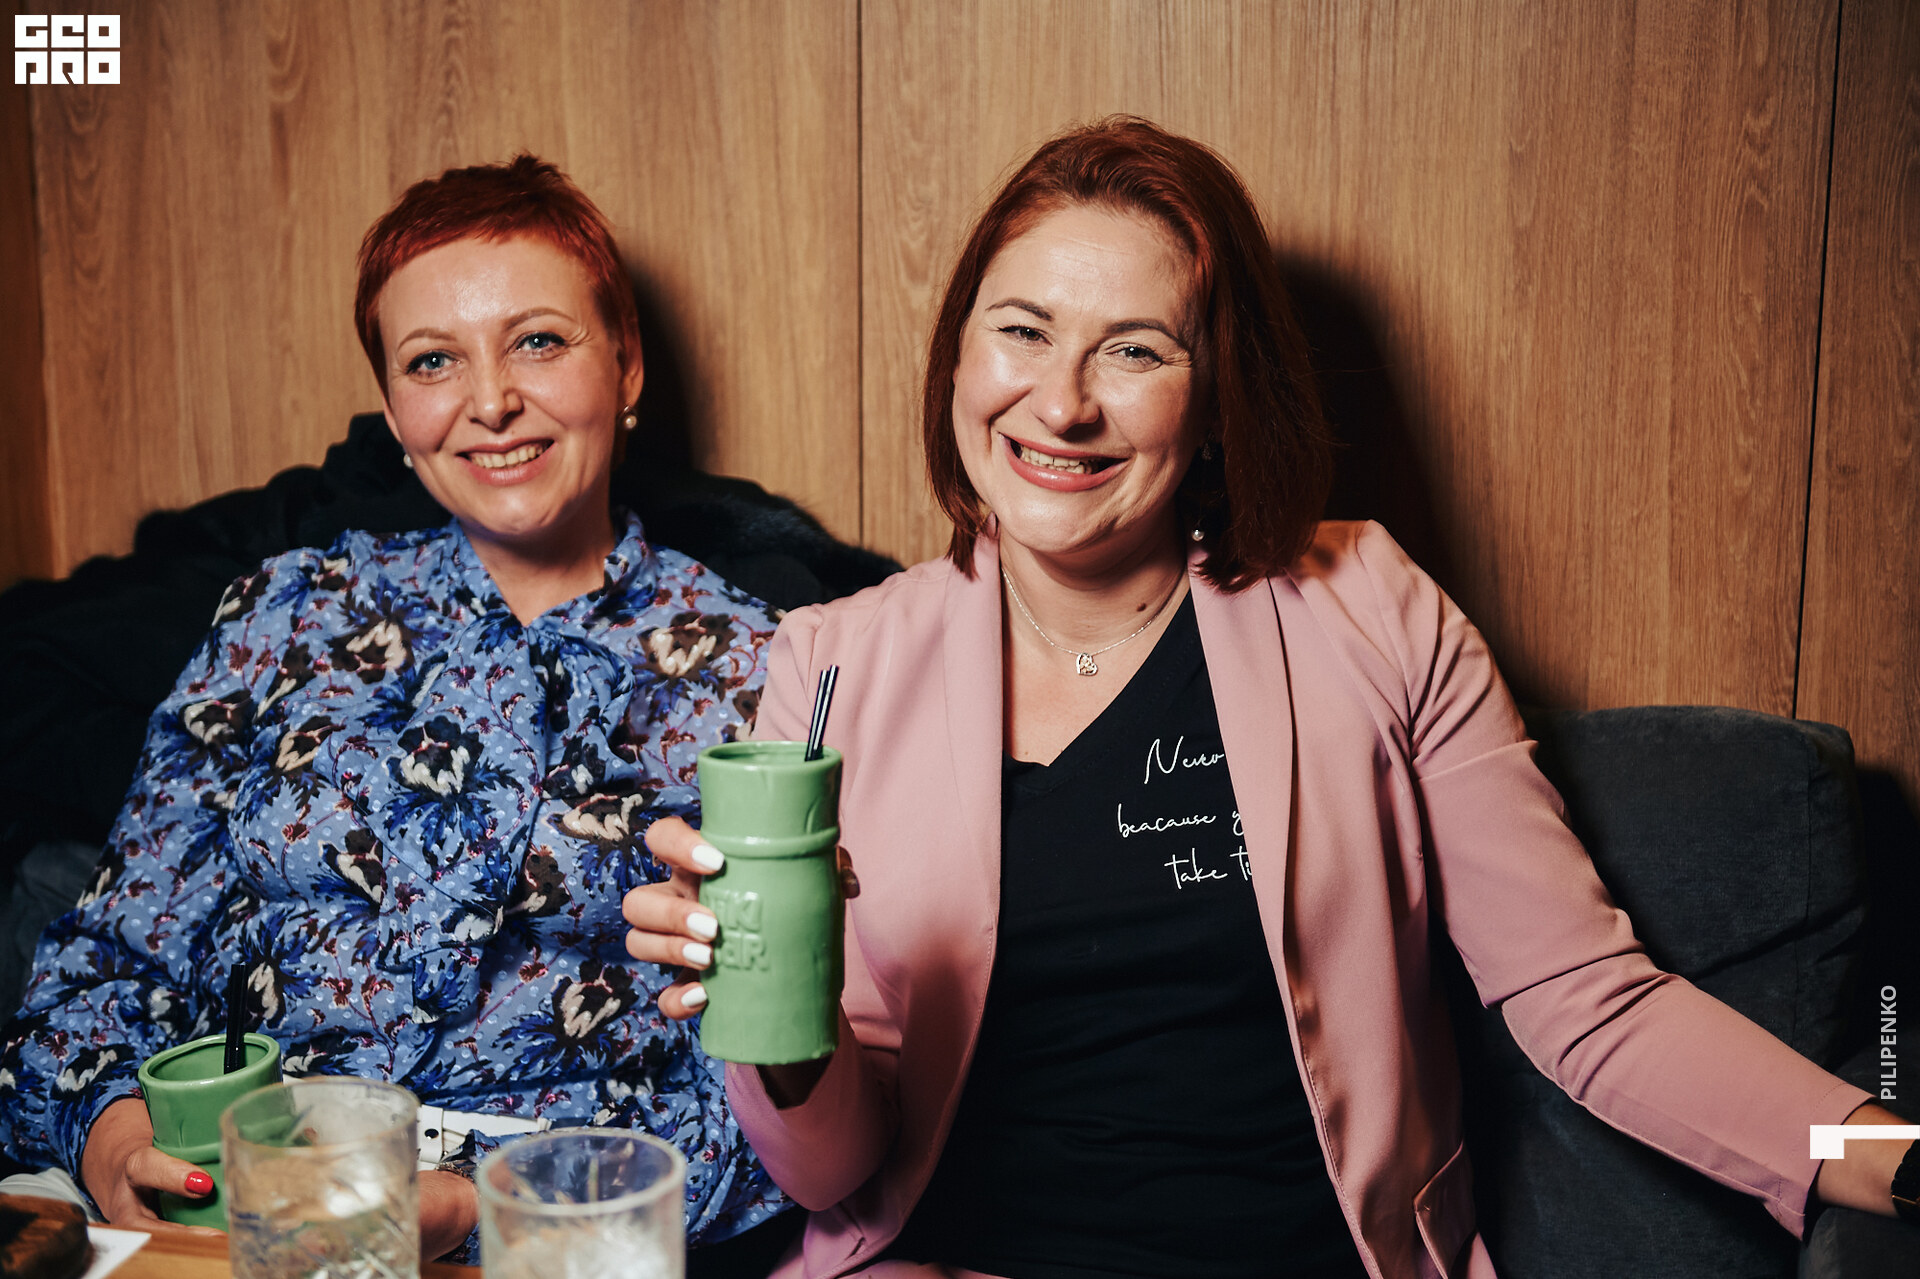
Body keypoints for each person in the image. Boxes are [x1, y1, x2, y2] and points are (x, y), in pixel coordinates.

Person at [624, 118, 1916, 1278]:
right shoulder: (834, 665)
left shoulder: (1368, 607)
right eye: (1021, 330)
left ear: (1216, 399)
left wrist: (1894, 1152)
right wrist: (778, 1016)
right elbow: (830, 1173)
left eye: (1134, 350)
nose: (1061, 401)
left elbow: (1591, 1002)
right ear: (959, 354)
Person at [0, 155, 801, 1267]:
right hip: (235, 1210)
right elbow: (105, 958)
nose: (490, 401)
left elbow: (782, 1107)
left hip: (559, 1234)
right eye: (433, 360)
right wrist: (116, 1141)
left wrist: (473, 1204)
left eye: (539, 341)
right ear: (391, 406)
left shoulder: (763, 664)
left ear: (626, 363)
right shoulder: (284, 614)